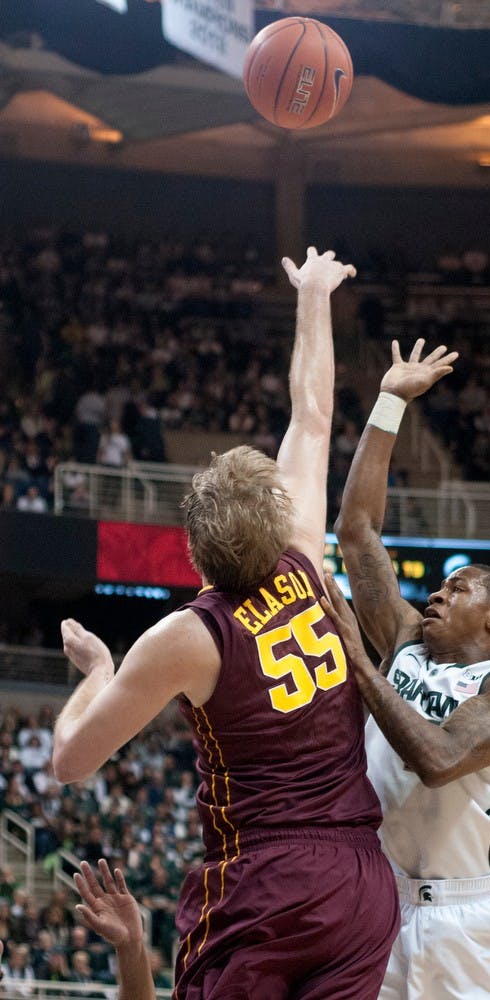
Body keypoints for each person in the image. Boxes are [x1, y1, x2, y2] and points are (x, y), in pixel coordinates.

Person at [52, 248, 399, 1000]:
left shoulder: (190, 636)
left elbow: (71, 761)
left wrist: (99, 675)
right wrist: (312, 293)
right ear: (275, 528)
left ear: (191, 548)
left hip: (267, 884)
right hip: (362, 882)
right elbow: (312, 417)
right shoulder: (305, 560)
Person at [324, 337, 490, 999]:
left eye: (458, 589)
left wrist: (362, 669)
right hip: (378, 904)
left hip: (468, 918)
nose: (435, 594)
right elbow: (357, 530)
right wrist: (390, 404)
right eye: (438, 588)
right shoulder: (405, 638)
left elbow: (438, 756)